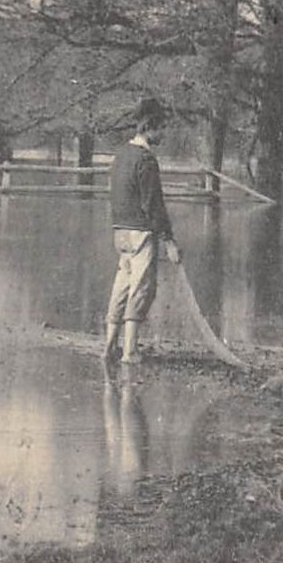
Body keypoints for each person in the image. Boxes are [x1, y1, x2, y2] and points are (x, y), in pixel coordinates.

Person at [103, 98, 180, 366]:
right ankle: (130, 352)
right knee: (141, 289)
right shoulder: (146, 159)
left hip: (120, 232)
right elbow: (153, 204)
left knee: (121, 287)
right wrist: (169, 240)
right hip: (141, 233)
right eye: (161, 128)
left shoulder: (121, 155)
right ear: (150, 126)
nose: (163, 134)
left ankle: (110, 345)